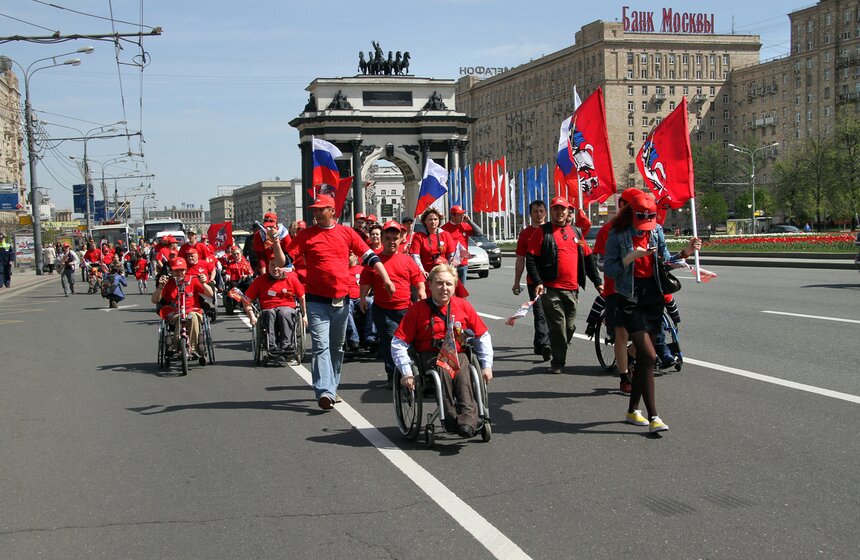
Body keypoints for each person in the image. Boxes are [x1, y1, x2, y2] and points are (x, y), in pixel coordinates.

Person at [279, 193, 395, 410]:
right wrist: (276, 243)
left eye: (320, 209)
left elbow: (370, 257)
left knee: (336, 347)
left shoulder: (347, 233)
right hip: (315, 301)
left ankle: (331, 387)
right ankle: (325, 391)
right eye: (314, 209)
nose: (315, 212)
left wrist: (386, 279)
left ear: (332, 211)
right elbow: (284, 260)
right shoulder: (306, 235)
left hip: (340, 301)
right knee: (321, 346)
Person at [604, 195, 701, 433]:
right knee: (648, 356)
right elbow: (608, 268)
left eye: (651, 217)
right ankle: (654, 417)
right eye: (642, 217)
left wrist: (686, 252)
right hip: (629, 297)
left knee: (645, 359)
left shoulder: (656, 231)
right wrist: (630, 258)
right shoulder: (617, 234)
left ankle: (632, 411)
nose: (647, 222)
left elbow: (665, 262)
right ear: (631, 214)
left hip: (653, 298)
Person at [391, 264, 493, 438]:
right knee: (444, 370)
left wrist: (487, 365)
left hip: (458, 353)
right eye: (439, 283)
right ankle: (451, 419)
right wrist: (406, 372)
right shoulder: (417, 310)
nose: (444, 288)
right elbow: (398, 342)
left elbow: (482, 336)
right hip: (429, 356)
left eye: (448, 284)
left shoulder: (463, 306)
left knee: (463, 373)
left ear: (454, 286)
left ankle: (468, 420)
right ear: (429, 285)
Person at [526, 197, 602, 374]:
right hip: (551, 289)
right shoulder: (542, 233)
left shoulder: (577, 233)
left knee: (569, 327)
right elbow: (531, 259)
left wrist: (598, 282)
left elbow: (588, 258)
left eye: (563, 209)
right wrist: (538, 282)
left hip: (572, 289)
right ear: (551, 212)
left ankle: (557, 347)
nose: (559, 212)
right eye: (556, 209)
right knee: (559, 324)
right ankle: (558, 362)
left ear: (568, 212)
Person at [585, 187, 646, 393]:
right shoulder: (607, 231)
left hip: (643, 289)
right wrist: (627, 260)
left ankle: (629, 355)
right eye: (634, 205)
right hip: (616, 290)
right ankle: (624, 379)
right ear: (622, 206)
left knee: (648, 333)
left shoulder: (648, 227)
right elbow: (602, 264)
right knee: (622, 333)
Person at [360, 221, 426, 388]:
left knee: (411, 343)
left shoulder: (407, 260)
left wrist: (422, 294)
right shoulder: (374, 261)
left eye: (395, 238)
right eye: (388, 238)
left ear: (400, 239)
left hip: (406, 310)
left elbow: (418, 281)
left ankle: (413, 372)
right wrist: (362, 298)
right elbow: (366, 282)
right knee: (390, 342)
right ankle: (393, 375)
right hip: (383, 310)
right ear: (381, 239)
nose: (392, 241)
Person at [151, 257, 214, 366]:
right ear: (171, 271)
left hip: (193, 310)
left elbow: (210, 294)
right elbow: (154, 300)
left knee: (193, 317)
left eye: (182, 270)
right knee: (180, 318)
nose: (180, 273)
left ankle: (193, 348)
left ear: (185, 270)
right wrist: (160, 286)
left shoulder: (193, 280)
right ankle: (175, 348)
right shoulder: (168, 283)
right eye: (176, 270)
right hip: (175, 312)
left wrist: (204, 283)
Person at [243, 259, 307, 360]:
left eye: (278, 265)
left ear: (283, 267)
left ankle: (287, 346)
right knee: (270, 313)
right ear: (268, 266)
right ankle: (272, 346)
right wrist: (251, 316)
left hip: (287, 308)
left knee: (284, 312)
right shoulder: (260, 280)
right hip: (268, 308)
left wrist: (304, 315)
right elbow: (246, 299)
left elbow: (302, 297)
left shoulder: (291, 278)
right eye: (272, 265)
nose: (275, 268)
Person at [512, 200, 551, 360]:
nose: (539, 214)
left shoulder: (551, 231)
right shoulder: (526, 234)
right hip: (533, 281)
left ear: (546, 213)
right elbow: (520, 259)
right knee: (540, 313)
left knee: (551, 314)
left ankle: (538, 343)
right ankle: (545, 346)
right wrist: (516, 281)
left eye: (541, 211)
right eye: (535, 211)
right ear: (530, 214)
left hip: (552, 280)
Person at [442, 205, 483, 285]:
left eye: (463, 214)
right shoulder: (444, 229)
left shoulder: (464, 226)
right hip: (450, 264)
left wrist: (469, 222)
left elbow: (480, 233)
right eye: (459, 214)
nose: (462, 216)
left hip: (463, 263)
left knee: (461, 289)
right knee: (450, 288)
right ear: (453, 216)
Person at [409, 207, 456, 277]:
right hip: (427, 274)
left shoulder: (445, 234)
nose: (433, 222)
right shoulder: (419, 236)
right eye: (430, 219)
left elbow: (451, 255)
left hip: (443, 272)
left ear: (439, 221)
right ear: (425, 221)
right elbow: (415, 256)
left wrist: (451, 265)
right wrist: (422, 271)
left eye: (435, 219)